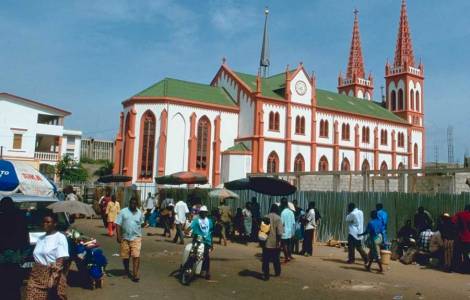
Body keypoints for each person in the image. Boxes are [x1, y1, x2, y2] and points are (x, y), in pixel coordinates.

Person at [25, 213, 69, 300]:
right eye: (44, 222)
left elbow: (60, 259)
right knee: (30, 295)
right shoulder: (41, 238)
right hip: (36, 275)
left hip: (51, 275)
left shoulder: (60, 237)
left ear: (55, 223)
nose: (45, 224)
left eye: (48, 222)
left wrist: (53, 278)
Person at [0, 197, 29, 300]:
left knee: (3, 287)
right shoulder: (21, 218)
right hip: (15, 256)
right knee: (14, 287)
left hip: (3, 257)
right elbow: (25, 240)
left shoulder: (2, 217)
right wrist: (23, 256)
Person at [115, 197, 144, 282]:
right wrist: (118, 236)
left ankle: (135, 274)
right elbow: (118, 224)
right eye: (131, 203)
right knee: (126, 256)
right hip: (125, 237)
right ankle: (127, 271)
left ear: (137, 205)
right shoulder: (123, 212)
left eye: (134, 204)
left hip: (136, 237)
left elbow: (141, 223)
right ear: (129, 203)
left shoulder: (140, 213)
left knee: (136, 255)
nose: (133, 205)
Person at [190, 205, 213, 280]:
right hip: (197, 240)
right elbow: (190, 227)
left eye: (205, 213)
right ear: (200, 213)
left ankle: (207, 271)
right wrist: (186, 231)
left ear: (206, 213)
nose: (203, 214)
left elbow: (211, 232)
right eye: (202, 212)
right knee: (192, 252)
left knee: (206, 255)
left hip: (206, 241)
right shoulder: (196, 220)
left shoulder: (209, 221)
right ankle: (189, 266)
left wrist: (211, 243)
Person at [261, 204, 283, 281]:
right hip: (275, 242)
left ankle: (266, 275)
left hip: (266, 242)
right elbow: (280, 232)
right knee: (276, 259)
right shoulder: (278, 218)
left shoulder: (265, 217)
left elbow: (262, 230)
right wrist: (279, 242)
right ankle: (277, 272)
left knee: (266, 259)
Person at [452, 204, 470, 273]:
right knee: (467, 254)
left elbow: (453, 221)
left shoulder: (460, 214)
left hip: (462, 238)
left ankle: (462, 268)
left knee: (461, 254)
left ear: (465, 208)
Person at [280, 198, 295, 262]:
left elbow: (282, 223)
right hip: (290, 231)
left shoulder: (283, 213)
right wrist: (293, 232)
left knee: (284, 244)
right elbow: (293, 223)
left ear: (282, 204)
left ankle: (287, 257)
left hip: (284, 231)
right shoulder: (291, 212)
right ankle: (289, 255)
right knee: (289, 244)